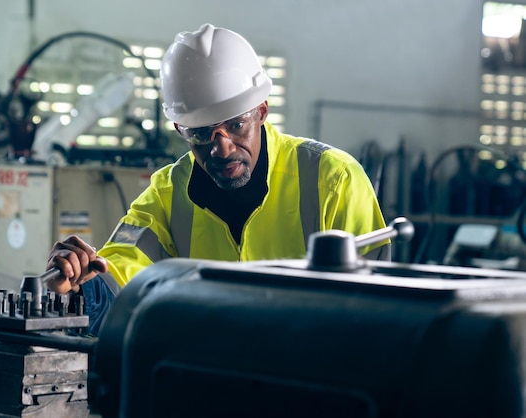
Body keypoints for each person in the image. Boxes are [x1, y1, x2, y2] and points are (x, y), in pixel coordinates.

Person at [45, 23, 391, 335]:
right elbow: (121, 271)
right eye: (201, 133)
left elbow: (379, 308)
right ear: (181, 129)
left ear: (262, 112)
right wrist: (81, 282)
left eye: (236, 126)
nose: (221, 148)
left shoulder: (333, 179)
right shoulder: (168, 193)